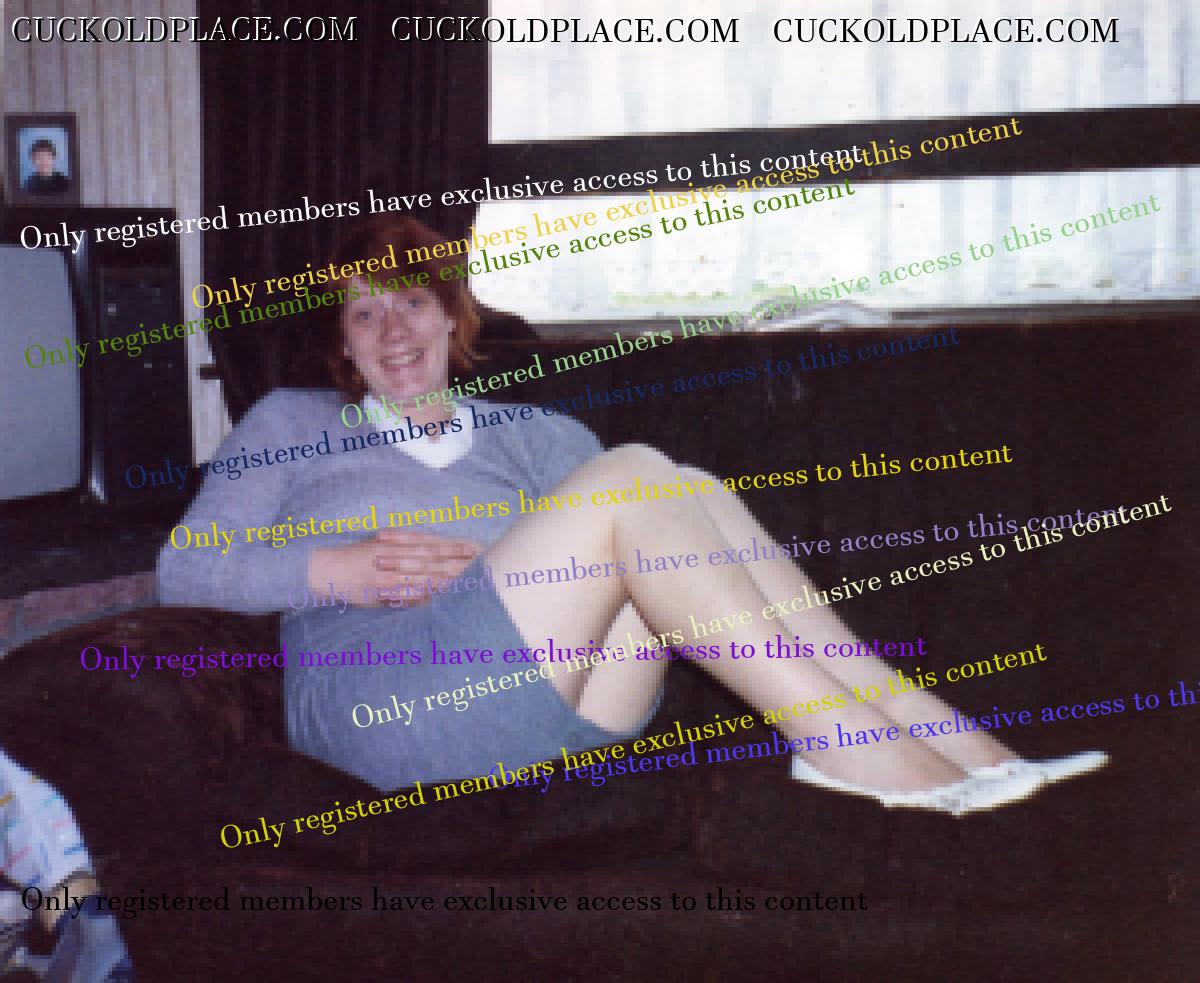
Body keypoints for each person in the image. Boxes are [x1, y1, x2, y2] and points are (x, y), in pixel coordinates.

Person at [156, 214, 1105, 815]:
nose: (393, 329)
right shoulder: (293, 423)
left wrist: (501, 561)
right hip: (380, 703)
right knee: (637, 475)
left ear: (452, 316)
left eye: (413, 302)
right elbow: (184, 568)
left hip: (553, 706)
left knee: (689, 489)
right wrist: (343, 570)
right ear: (344, 340)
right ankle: (862, 757)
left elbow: (637, 553)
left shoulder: (533, 434)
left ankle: (965, 750)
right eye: (365, 314)